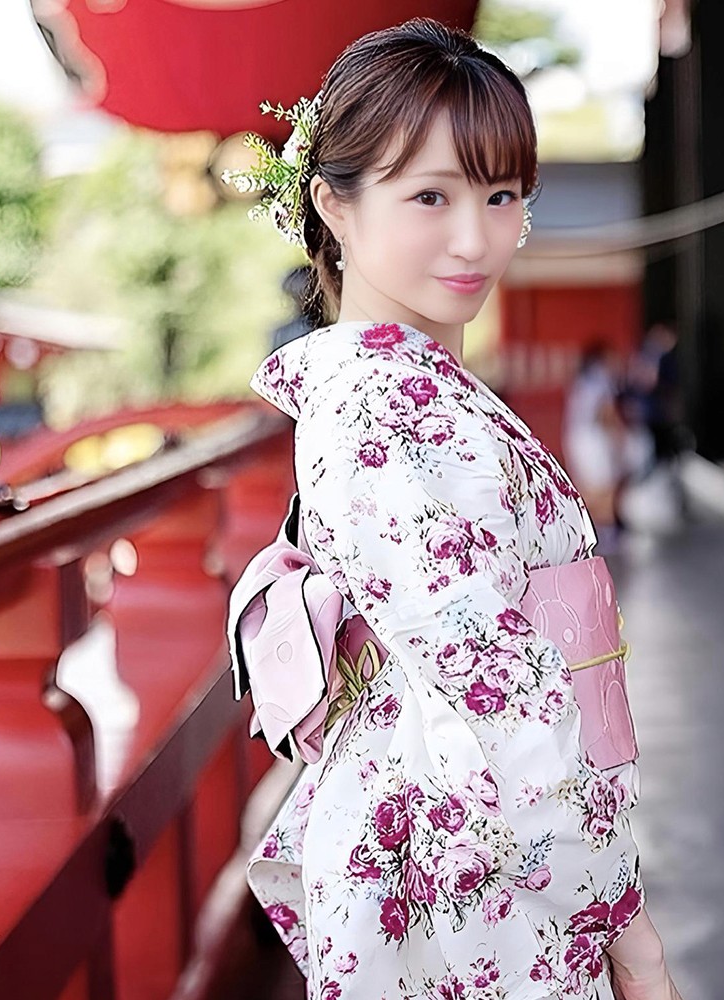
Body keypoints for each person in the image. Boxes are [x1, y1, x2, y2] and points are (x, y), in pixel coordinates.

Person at [227, 20, 683, 1000]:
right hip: (479, 857)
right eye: (430, 195)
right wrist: (620, 914)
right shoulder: (388, 406)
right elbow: (497, 695)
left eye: (502, 194)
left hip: (474, 832)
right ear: (333, 206)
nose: (477, 237)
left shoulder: (408, 388)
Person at [563, 342, 627, 547]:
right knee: (604, 485)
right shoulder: (601, 378)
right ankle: (606, 533)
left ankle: (586, 533)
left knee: (588, 487)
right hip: (592, 437)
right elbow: (606, 413)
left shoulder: (583, 378)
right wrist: (619, 436)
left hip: (574, 436)